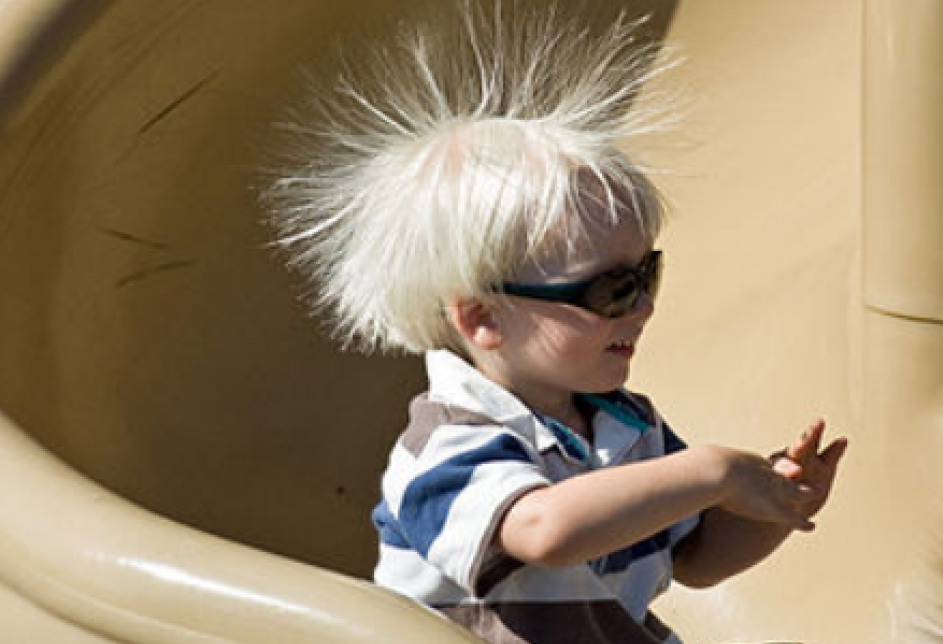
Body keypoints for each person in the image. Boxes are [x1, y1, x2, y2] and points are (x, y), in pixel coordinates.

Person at [263, 4, 846, 643]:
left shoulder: (626, 426)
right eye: (612, 289)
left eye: (646, 276)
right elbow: (545, 531)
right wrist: (709, 472)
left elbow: (698, 561)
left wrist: (770, 510)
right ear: (483, 317)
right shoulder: (447, 444)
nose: (643, 307)